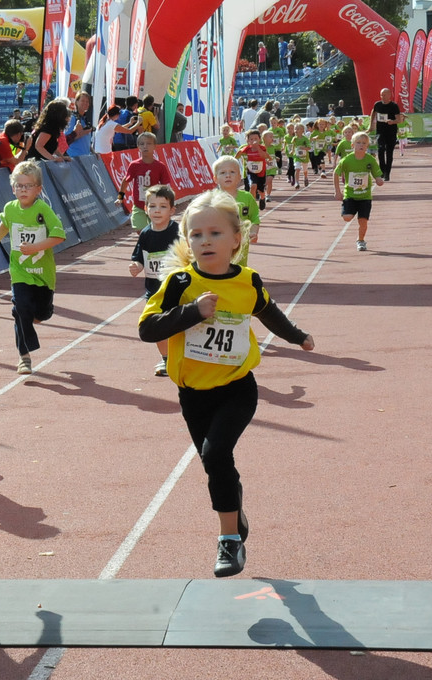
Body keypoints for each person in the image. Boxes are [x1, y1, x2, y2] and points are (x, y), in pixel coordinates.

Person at [138, 189, 314, 577]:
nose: (205, 241)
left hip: (237, 387)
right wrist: (190, 312)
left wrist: (297, 336)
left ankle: (229, 542)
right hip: (192, 393)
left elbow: (269, 312)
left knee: (217, 455)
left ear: (238, 238)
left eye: (215, 233)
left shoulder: (248, 281)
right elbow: (147, 329)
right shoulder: (180, 282)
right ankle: (235, 515)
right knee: (213, 463)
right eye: (196, 235)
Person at [0, 159, 66, 375]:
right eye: (19, 186)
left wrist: (36, 247)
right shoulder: (10, 209)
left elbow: (59, 235)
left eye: (28, 186)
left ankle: (32, 313)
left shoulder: (42, 209)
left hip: (42, 273)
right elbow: (4, 225)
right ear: (13, 188)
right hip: (19, 271)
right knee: (21, 309)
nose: (23, 190)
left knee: (41, 313)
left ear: (38, 189)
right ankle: (24, 357)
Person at [128, 184, 180, 377]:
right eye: (152, 206)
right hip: (154, 291)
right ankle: (166, 360)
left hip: (177, 289)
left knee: (178, 325)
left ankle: (184, 356)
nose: (157, 211)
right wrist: (136, 267)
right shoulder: (146, 234)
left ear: (172, 210)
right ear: (146, 210)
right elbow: (139, 258)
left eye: (163, 206)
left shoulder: (178, 232)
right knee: (157, 325)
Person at [334, 131, 384, 252]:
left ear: (367, 146)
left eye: (364, 143)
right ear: (352, 145)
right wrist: (338, 191)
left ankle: (361, 240)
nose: (361, 145)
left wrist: (378, 179)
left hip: (365, 196)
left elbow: (376, 172)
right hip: (350, 194)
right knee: (347, 218)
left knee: (363, 222)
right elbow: (336, 174)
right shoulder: (346, 160)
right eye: (358, 143)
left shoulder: (370, 160)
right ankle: (351, 209)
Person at [117, 132, 175, 231]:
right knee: (139, 228)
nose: (145, 146)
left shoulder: (160, 166)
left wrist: (168, 202)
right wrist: (120, 197)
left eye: (148, 143)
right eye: (142, 144)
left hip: (155, 205)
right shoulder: (134, 165)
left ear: (155, 146)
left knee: (157, 229)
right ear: (138, 147)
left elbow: (166, 186)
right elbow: (126, 181)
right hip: (139, 205)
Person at [213, 155, 260, 267]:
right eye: (223, 173)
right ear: (215, 178)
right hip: (218, 244)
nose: (228, 175)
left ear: (239, 177)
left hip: (241, 245)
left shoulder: (247, 198)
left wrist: (253, 232)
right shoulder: (211, 199)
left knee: (239, 271)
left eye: (232, 172)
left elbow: (254, 217)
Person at [368, 87, 403, 181]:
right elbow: (373, 113)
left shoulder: (394, 106)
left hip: (391, 132)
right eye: (381, 95)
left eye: (384, 95)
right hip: (380, 132)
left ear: (389, 95)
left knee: (389, 153)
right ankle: (382, 171)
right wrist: (371, 125)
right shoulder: (377, 104)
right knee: (380, 150)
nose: (382, 97)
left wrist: (392, 121)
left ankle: (388, 173)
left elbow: (399, 120)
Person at [236, 129, 270, 208]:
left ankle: (262, 198)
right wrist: (233, 160)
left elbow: (264, 155)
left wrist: (257, 148)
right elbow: (239, 153)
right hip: (250, 171)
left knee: (261, 190)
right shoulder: (246, 148)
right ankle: (252, 204)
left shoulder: (262, 148)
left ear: (259, 139)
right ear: (247, 140)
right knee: (253, 186)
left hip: (261, 172)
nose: (253, 141)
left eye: (256, 139)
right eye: (251, 139)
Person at [64, 91, 94, 157]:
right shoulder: (72, 118)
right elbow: (65, 140)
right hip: (74, 159)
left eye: (87, 101)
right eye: (82, 101)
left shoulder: (84, 119)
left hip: (85, 158)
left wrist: (94, 152)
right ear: (76, 102)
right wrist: (81, 133)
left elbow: (86, 142)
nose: (85, 103)